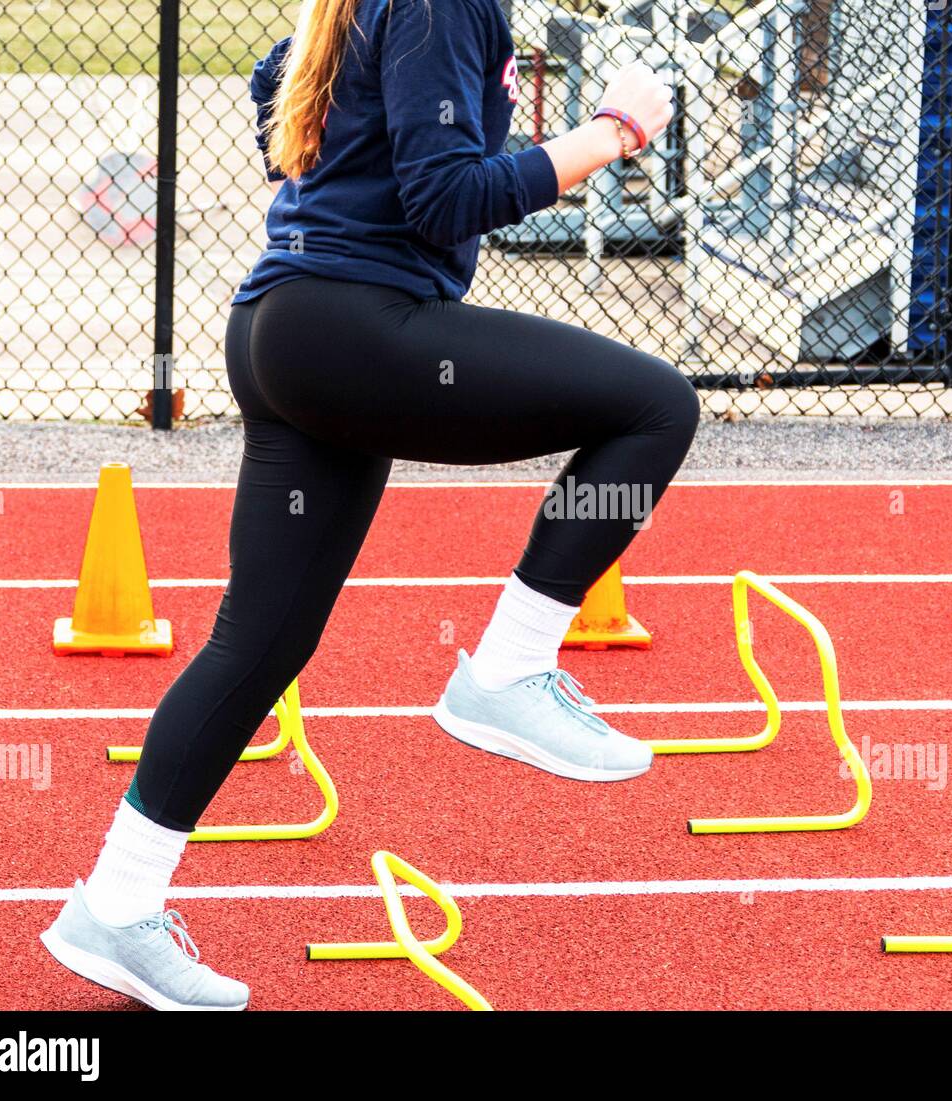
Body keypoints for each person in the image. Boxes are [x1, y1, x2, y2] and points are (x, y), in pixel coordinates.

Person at [39, 0, 698, 1011]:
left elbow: (274, 88)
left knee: (258, 644)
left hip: (282, 327)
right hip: (357, 328)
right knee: (657, 405)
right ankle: (512, 667)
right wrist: (613, 132)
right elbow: (446, 200)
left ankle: (116, 905)